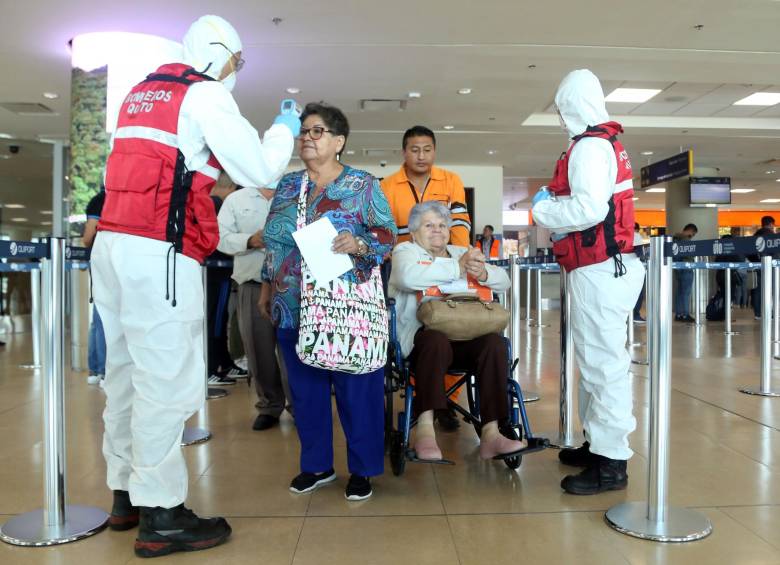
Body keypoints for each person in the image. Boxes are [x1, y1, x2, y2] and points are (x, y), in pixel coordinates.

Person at [90, 15, 299, 558]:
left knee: (124, 374)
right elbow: (257, 168)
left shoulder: (141, 92)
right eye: (238, 60)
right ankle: (162, 514)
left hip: (112, 248)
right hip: (158, 250)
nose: (237, 70)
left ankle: (125, 495)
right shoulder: (203, 94)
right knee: (165, 380)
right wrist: (284, 131)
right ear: (220, 54)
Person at [260, 102, 396, 501]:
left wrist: (360, 243)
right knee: (305, 391)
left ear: (339, 141)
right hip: (293, 303)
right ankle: (316, 465)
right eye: (304, 131)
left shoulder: (363, 185)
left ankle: (363, 470)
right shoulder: (287, 186)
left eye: (317, 131)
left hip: (347, 307)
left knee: (357, 389)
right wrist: (268, 288)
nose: (306, 138)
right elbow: (274, 241)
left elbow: (387, 236)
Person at [531, 69, 644, 495]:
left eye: (562, 109)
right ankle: (598, 445)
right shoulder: (603, 143)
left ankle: (612, 464)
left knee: (603, 367)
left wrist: (543, 211)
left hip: (601, 269)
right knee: (597, 363)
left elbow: (589, 210)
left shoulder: (590, 147)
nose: (561, 119)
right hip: (603, 267)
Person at [390, 201, 525, 461]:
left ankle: (491, 433)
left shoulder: (459, 251)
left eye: (442, 225)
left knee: (494, 344)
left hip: (466, 335)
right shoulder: (404, 251)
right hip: (422, 342)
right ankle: (426, 429)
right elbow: (408, 277)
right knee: (435, 340)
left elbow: (504, 280)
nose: (437, 230)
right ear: (415, 230)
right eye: (429, 225)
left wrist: (483, 273)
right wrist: (458, 267)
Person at [381, 125, 472, 431]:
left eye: (427, 149)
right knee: (419, 331)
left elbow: (458, 225)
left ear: (435, 151)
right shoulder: (388, 186)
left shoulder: (451, 181)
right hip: (407, 268)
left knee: (455, 327)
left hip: (449, 267)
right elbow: (384, 231)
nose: (421, 155)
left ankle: (446, 400)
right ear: (404, 152)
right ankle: (425, 399)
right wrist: (409, 259)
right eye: (414, 149)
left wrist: (454, 258)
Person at [217, 172, 291, 430]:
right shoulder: (236, 199)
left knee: (293, 350)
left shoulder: (293, 196)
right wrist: (249, 240)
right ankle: (270, 405)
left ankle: (299, 406)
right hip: (250, 283)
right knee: (258, 349)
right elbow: (219, 238)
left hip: (291, 286)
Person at [205, 173, 245, 386]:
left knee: (219, 318)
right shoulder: (217, 204)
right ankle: (213, 367)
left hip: (214, 271)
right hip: (217, 270)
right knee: (216, 320)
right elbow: (222, 238)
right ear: (231, 186)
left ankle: (223, 362)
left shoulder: (208, 202)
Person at [83, 189, 106, 385]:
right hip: (107, 262)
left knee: (98, 317)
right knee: (103, 317)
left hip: (99, 260)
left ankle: (96, 369)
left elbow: (87, 238)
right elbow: (88, 236)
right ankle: (103, 370)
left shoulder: (98, 200)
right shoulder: (104, 200)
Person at [749, 216, 777, 319]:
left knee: (758, 289)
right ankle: (772, 312)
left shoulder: (756, 235)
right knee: (773, 288)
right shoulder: (772, 236)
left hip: (758, 266)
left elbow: (749, 252)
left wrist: (755, 262)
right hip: (771, 265)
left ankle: (758, 313)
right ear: (771, 224)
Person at [632, 223, 646, 323]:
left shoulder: (616, 234)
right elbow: (640, 254)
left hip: (620, 269)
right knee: (638, 292)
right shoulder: (636, 236)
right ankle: (635, 315)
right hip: (635, 268)